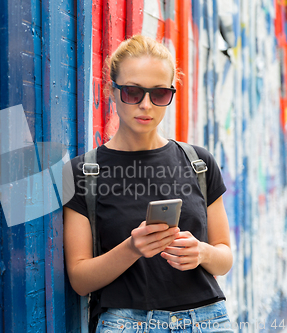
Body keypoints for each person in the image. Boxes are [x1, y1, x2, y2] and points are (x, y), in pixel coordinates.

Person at [63, 35, 233, 333]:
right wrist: (132, 247)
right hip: (125, 323)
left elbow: (224, 258)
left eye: (159, 94)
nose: (146, 105)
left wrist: (202, 252)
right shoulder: (83, 173)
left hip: (207, 320)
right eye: (132, 92)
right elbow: (79, 278)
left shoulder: (199, 162)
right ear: (111, 91)